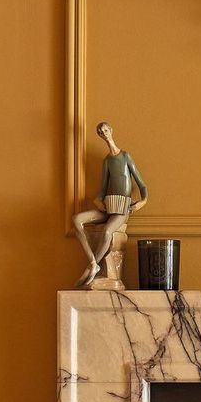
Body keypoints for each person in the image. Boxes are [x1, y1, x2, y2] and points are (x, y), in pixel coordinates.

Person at [71, 121, 149, 289]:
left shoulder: (125, 156)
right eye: (101, 132)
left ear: (111, 131)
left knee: (107, 231)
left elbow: (141, 185)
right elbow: (102, 189)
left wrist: (142, 202)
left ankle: (92, 267)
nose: (104, 133)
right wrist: (98, 202)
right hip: (108, 207)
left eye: (106, 130)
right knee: (77, 219)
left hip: (122, 209)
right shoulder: (107, 161)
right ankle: (93, 262)